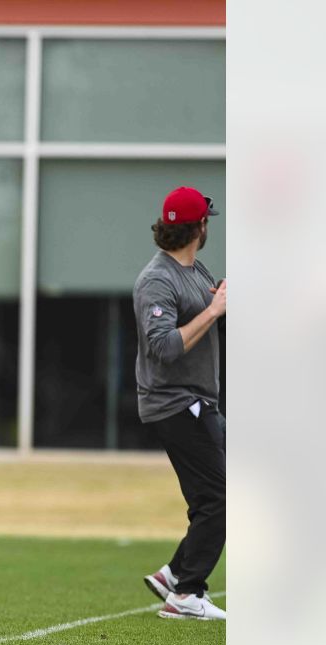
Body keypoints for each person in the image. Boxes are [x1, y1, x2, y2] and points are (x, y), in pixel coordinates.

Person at [133, 186, 226, 622]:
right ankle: (188, 593)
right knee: (219, 499)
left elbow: (204, 309)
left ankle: (174, 575)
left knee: (216, 495)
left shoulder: (193, 269)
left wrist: (219, 297)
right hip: (176, 403)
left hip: (198, 401)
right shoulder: (158, 278)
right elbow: (165, 348)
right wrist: (213, 311)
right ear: (200, 227)